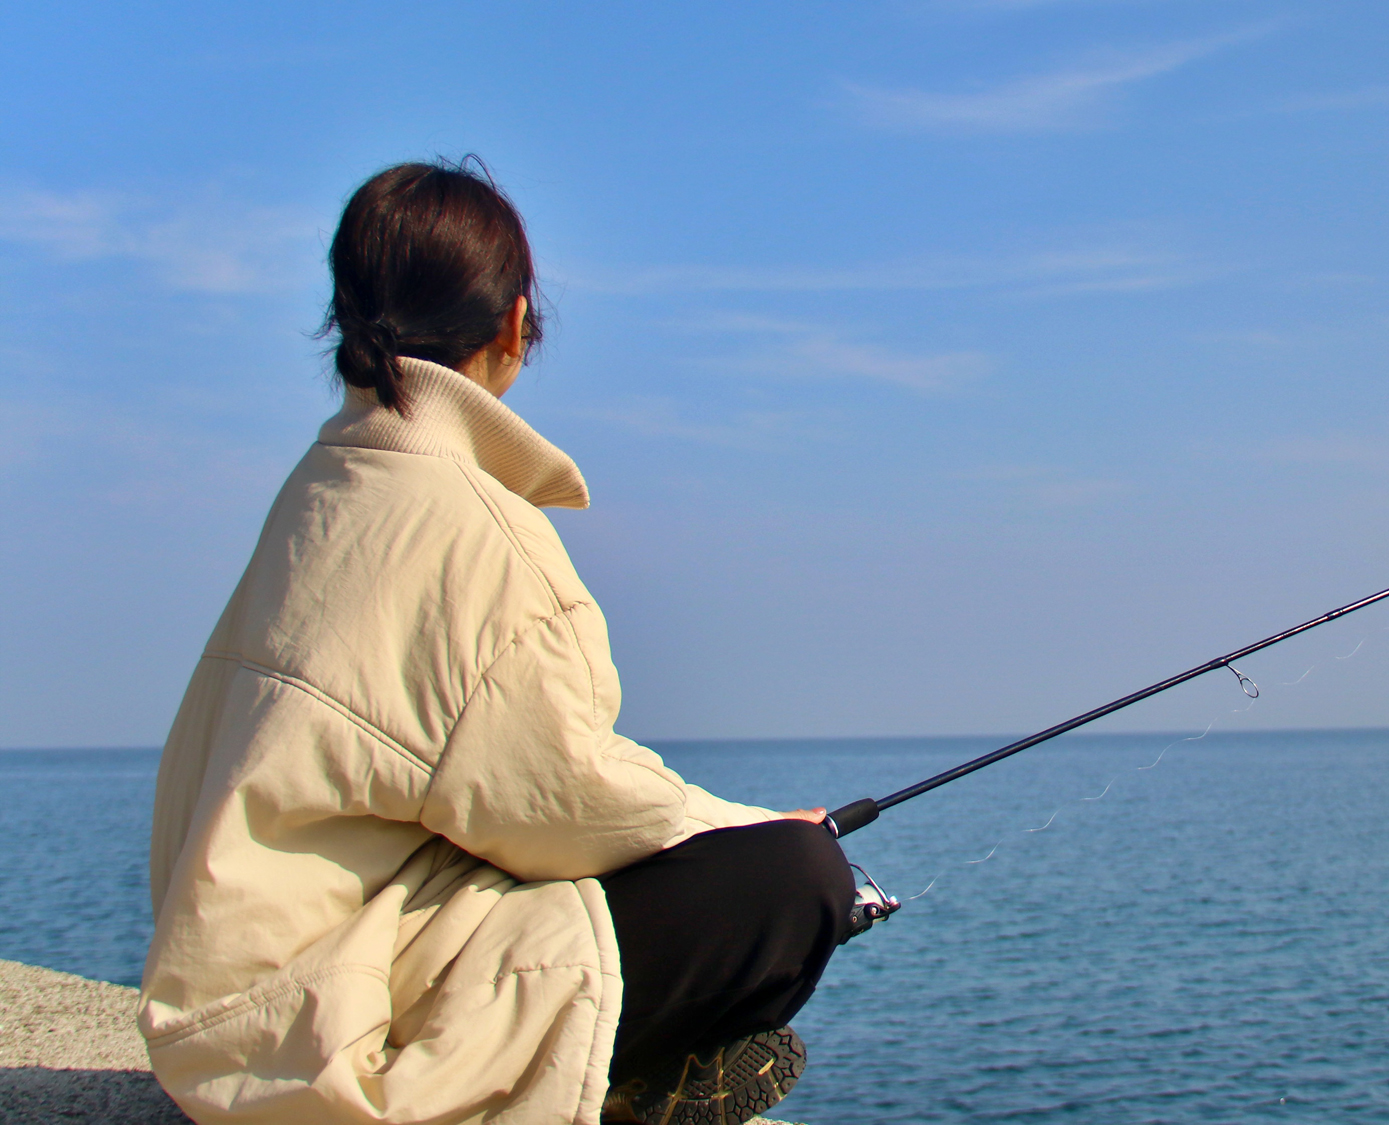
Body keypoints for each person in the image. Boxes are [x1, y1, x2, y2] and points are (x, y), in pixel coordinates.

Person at [141, 158, 855, 1125]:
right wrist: (765, 828)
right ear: (517, 323)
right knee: (793, 882)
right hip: (341, 1046)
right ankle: (626, 1085)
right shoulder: (476, 528)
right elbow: (568, 802)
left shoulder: (320, 491)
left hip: (229, 1025)